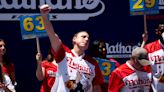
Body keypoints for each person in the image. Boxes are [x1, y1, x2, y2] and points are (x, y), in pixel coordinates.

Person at [39, 4, 104, 92]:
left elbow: (96, 87)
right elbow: (52, 35)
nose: (87, 39)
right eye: (83, 36)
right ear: (74, 39)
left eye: (88, 38)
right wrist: (44, 17)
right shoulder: (63, 53)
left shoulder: (92, 63)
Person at [144, 22, 164, 92]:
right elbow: (138, 61)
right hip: (156, 89)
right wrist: (144, 42)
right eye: (162, 31)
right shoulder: (149, 48)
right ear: (157, 32)